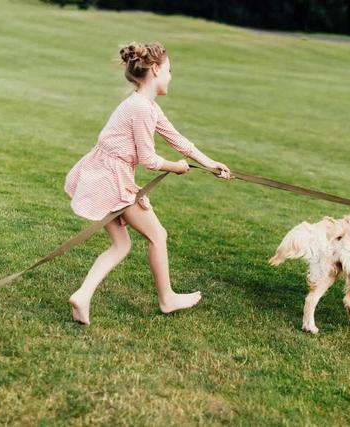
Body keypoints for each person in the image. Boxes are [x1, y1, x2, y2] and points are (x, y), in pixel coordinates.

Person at [64, 42, 231, 325]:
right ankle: (167, 298)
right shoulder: (140, 109)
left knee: (121, 245)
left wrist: (210, 163)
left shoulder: (145, 105)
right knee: (158, 235)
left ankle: (82, 295)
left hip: (105, 174)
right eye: (169, 70)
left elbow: (176, 138)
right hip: (109, 178)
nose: (171, 76)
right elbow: (149, 159)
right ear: (155, 69)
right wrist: (176, 167)